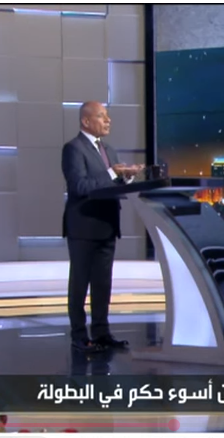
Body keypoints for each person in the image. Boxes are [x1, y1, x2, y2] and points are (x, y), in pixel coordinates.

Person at [61, 101, 144, 352]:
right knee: (80, 284)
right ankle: (79, 335)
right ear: (86, 121)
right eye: (101, 116)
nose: (108, 121)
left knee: (102, 284)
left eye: (108, 116)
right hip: (83, 226)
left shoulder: (109, 150)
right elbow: (80, 186)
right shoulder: (73, 149)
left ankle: (101, 332)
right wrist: (112, 173)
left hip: (107, 225)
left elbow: (111, 184)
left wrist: (126, 176)